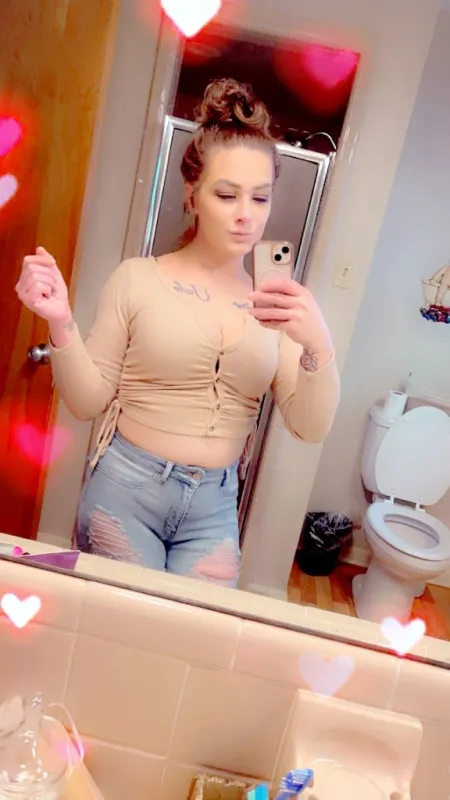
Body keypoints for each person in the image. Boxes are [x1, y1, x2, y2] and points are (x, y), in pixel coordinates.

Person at [15, 78, 340, 589]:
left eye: (260, 198)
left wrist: (318, 344)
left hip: (214, 507)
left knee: (194, 635)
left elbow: (309, 426)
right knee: (127, 628)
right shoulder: (137, 279)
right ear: (192, 195)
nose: (245, 215)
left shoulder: (277, 307)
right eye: (226, 194)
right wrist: (61, 322)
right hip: (127, 490)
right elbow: (86, 400)